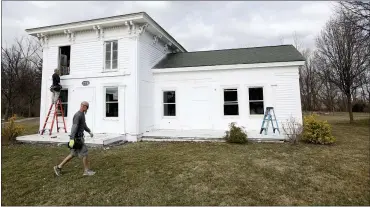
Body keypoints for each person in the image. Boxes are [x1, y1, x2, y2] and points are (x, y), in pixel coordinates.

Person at [53, 101, 95, 176]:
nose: (87, 109)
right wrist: (72, 139)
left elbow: (83, 125)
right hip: (77, 139)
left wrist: (89, 131)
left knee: (72, 154)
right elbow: (74, 127)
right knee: (85, 153)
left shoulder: (82, 114)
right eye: (86, 107)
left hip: (78, 137)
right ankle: (86, 171)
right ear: (83, 106)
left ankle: (58, 167)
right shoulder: (78, 115)